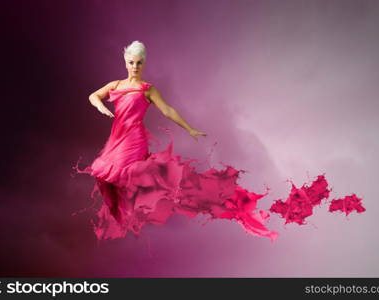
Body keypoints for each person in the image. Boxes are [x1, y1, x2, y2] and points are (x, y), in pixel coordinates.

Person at [78, 41, 277, 241]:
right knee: (102, 174)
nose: (135, 67)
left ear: (144, 64)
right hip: (116, 137)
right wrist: (100, 107)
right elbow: (93, 96)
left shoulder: (148, 90)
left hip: (134, 138)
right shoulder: (116, 85)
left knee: (123, 175)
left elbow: (168, 110)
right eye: (131, 62)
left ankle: (160, 205)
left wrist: (189, 128)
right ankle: (122, 216)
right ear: (125, 62)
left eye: (139, 63)